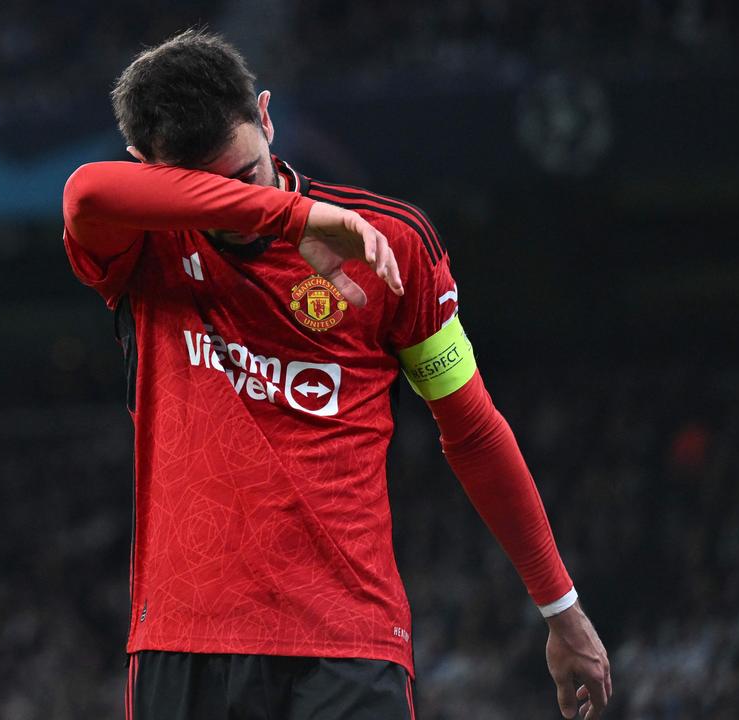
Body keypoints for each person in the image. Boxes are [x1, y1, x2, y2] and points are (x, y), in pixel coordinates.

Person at [62, 29, 611, 720]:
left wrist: (560, 607)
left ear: (266, 115)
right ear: (148, 167)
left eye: (246, 175)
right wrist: (291, 216)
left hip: (348, 643)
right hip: (186, 640)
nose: (235, 208)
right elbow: (84, 192)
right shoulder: (144, 242)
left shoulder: (391, 244)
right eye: (206, 191)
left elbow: (471, 430)